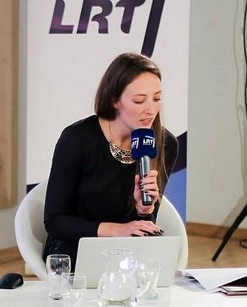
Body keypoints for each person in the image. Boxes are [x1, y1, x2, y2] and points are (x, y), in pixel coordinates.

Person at [43, 52, 179, 265]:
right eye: (139, 100)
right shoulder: (78, 139)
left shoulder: (165, 143)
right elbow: (55, 221)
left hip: (127, 250)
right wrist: (117, 230)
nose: (150, 110)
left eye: (157, 98)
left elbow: (144, 225)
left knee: (157, 268)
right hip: (77, 245)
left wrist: (144, 209)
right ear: (115, 100)